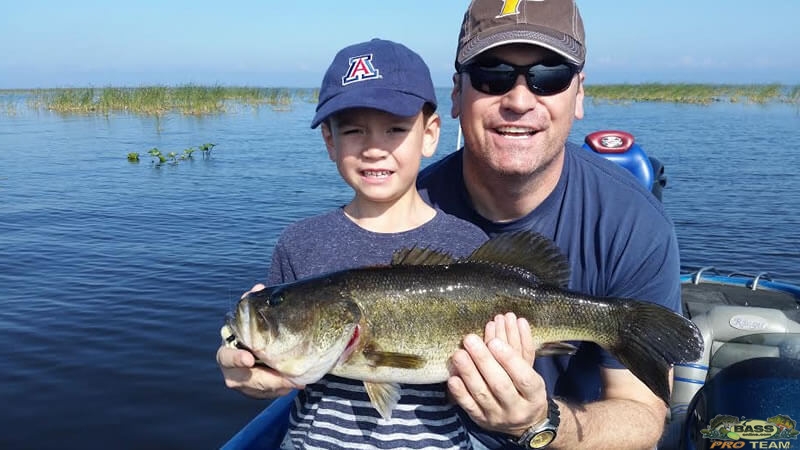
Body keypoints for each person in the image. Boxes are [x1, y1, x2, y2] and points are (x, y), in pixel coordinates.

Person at [415, 0, 682, 449]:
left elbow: (644, 414)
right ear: (457, 93)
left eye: (549, 76)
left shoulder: (633, 223)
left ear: (578, 94)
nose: (519, 100)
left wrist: (539, 421)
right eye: (492, 75)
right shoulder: (405, 212)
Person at [216, 38, 488, 449]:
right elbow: (269, 362)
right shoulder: (299, 243)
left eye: (395, 129)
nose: (374, 148)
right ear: (330, 141)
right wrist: (241, 360)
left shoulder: (467, 244)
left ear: (430, 134)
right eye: (353, 130)